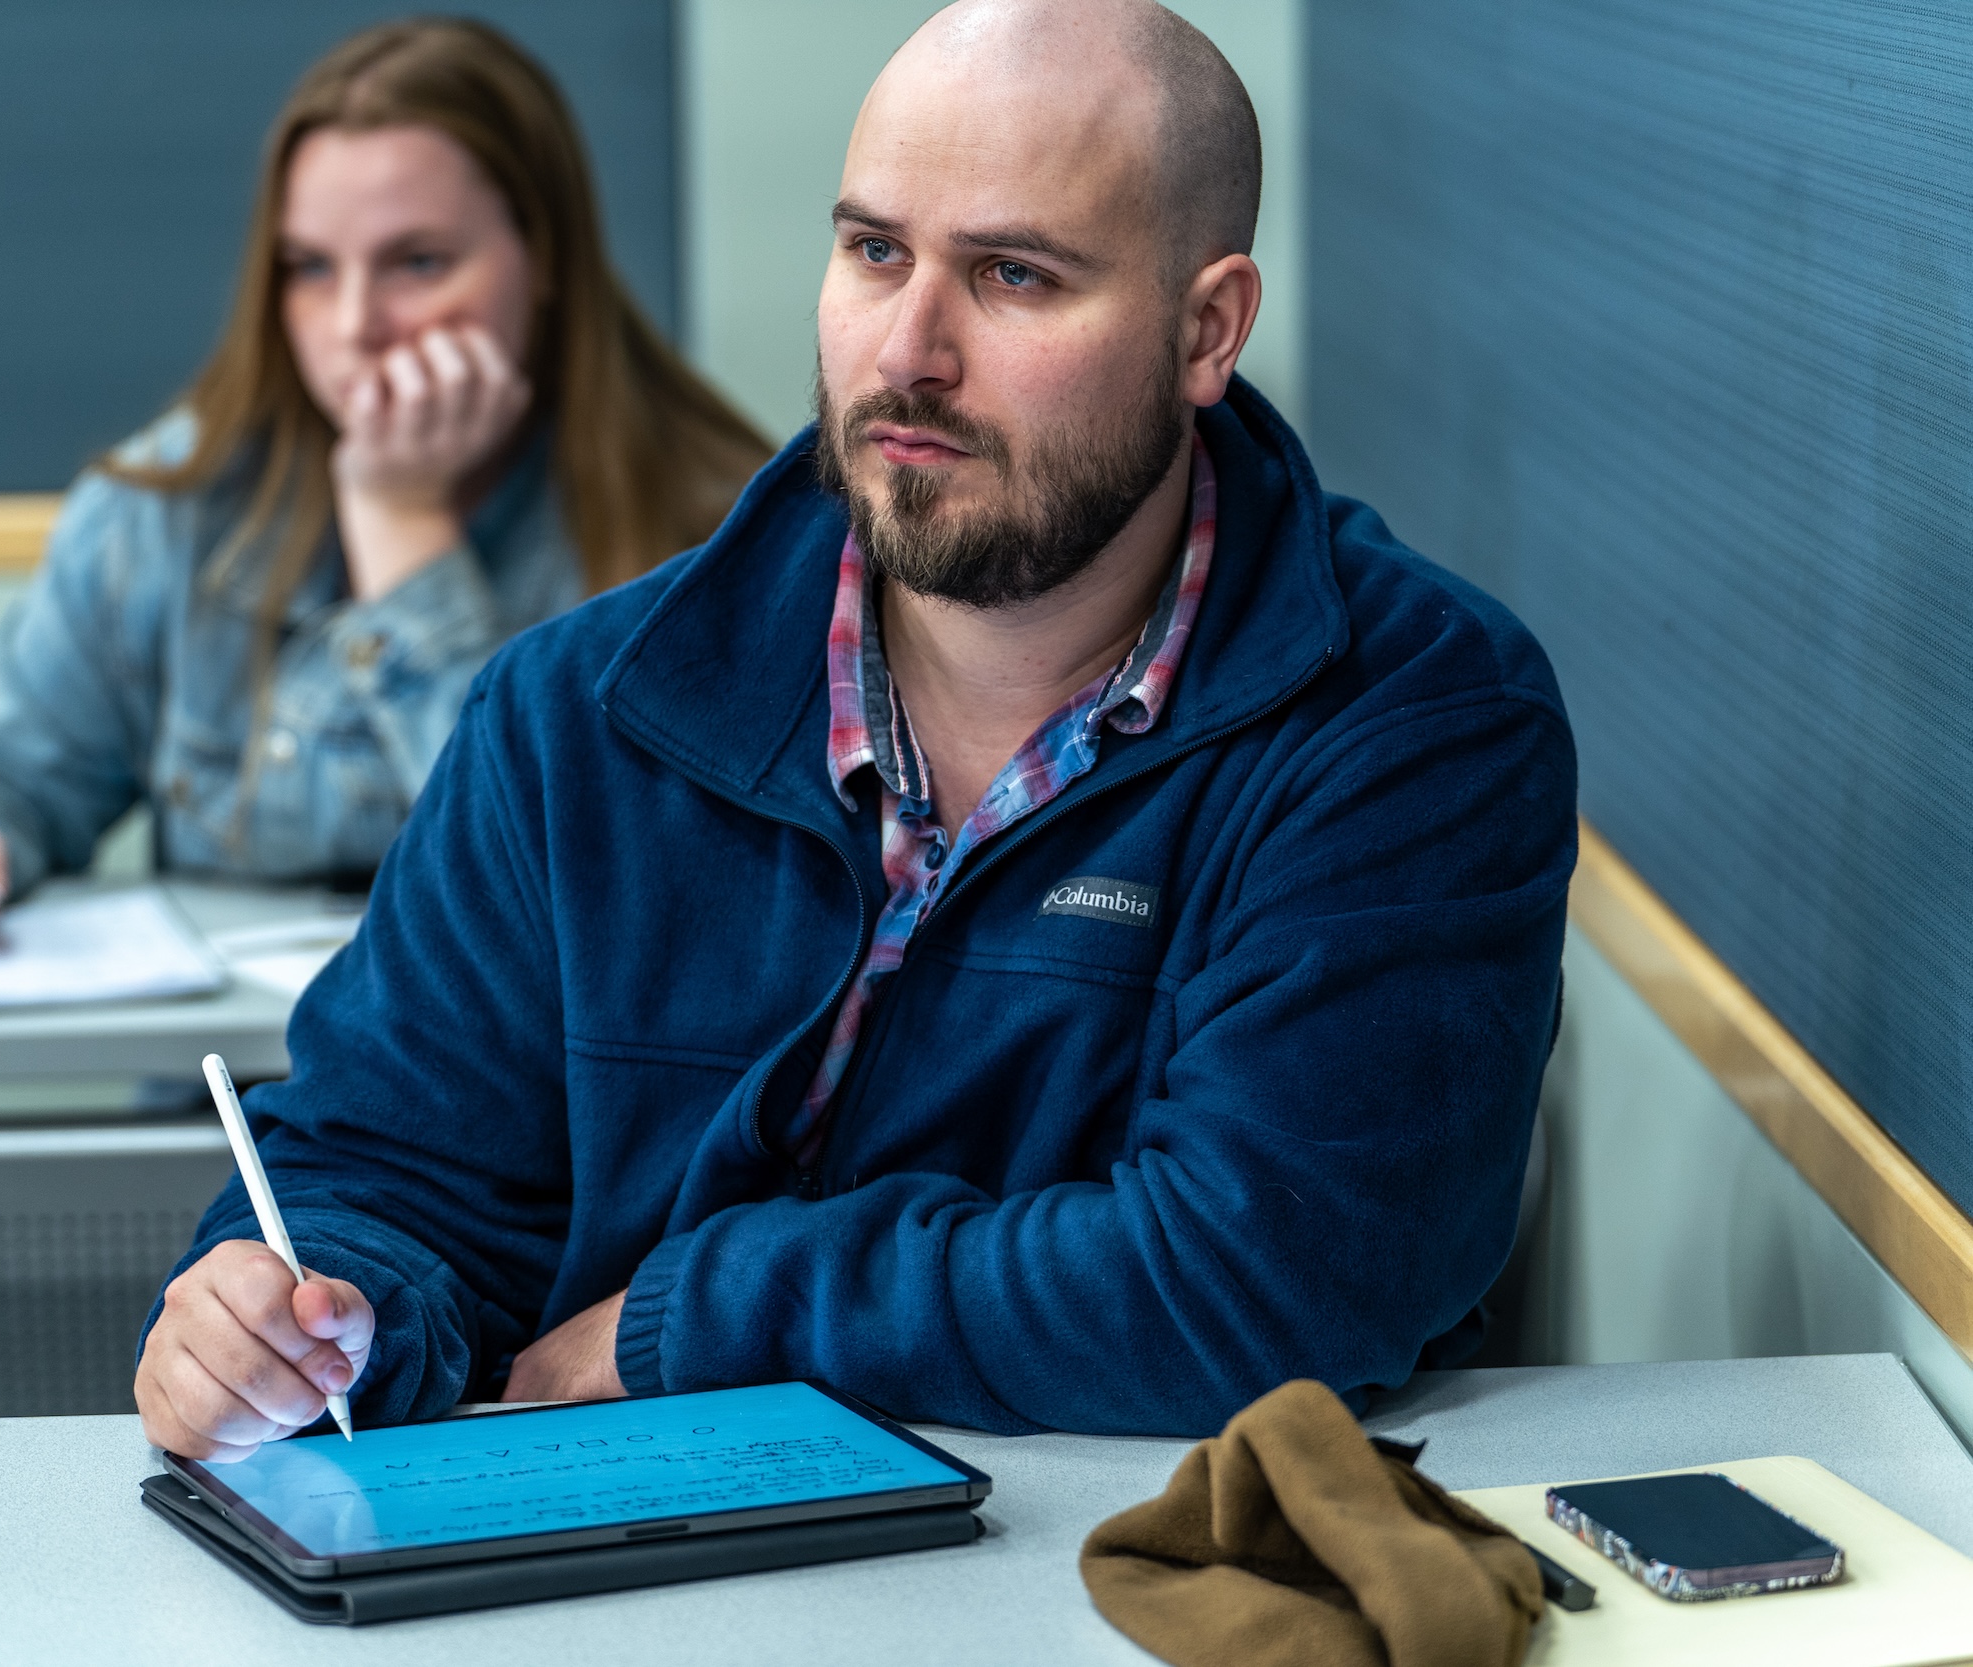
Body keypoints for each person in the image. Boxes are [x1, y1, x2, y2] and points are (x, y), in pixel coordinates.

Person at [135, 0, 1577, 1454]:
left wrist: (698, 1317)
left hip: (1114, 1587)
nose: (908, 350)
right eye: (874, 250)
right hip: (626, 1582)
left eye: (1014, 275)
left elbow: (1271, 1268)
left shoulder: (1415, 718)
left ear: (1206, 330)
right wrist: (299, 1313)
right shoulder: (576, 713)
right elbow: (382, 1174)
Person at [0, 20, 771, 940]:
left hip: (546, 1088)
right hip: (230, 1082)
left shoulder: (726, 532)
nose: (355, 325)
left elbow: (602, 890)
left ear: (544, 262)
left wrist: (402, 525)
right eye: (311, 269)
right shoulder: (172, 503)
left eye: (418, 262)